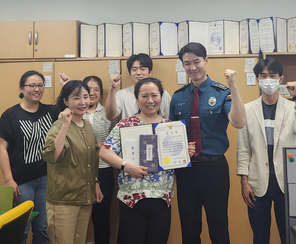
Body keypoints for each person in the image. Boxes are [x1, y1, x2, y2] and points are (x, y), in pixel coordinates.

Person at [99, 77, 195, 244]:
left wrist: (185, 153)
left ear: (161, 97)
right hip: (132, 199)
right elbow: (104, 152)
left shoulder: (171, 127)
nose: (150, 100)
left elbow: (177, 158)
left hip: (161, 199)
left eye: (154, 95)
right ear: (137, 99)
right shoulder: (125, 125)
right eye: (144, 96)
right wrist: (126, 166)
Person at [169, 42, 246, 244]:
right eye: (187, 63)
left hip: (215, 169)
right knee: (189, 228)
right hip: (186, 170)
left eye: (196, 61)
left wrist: (234, 86)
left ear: (206, 60)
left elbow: (239, 122)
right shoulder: (178, 97)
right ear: (182, 66)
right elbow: (170, 137)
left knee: (219, 227)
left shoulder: (222, 92)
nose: (192, 67)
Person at [236, 57, 296, 244]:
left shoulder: (293, 106)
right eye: (263, 76)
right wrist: (244, 182)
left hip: (285, 183)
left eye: (272, 75)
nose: (268, 79)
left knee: (288, 236)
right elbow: (244, 149)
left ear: (280, 79)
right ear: (257, 79)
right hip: (257, 183)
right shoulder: (247, 109)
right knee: (260, 237)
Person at [58, 73, 119, 244]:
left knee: (101, 215)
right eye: (88, 90)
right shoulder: (74, 112)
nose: (92, 93)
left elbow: (114, 134)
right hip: (78, 169)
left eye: (96, 89)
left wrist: (99, 146)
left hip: (103, 168)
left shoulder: (106, 110)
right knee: (77, 217)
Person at [0, 70, 54, 244]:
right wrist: (9, 180)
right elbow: (1, 149)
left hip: (45, 178)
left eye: (40, 85)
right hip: (21, 181)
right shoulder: (10, 115)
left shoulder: (50, 111)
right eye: (32, 85)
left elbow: (69, 104)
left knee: (43, 227)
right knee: (21, 228)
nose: (37, 89)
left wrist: (66, 85)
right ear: (21, 88)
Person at [42, 80, 102, 244]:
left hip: (84, 198)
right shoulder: (59, 125)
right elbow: (52, 156)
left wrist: (96, 182)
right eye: (76, 98)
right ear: (66, 101)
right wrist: (65, 125)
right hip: (64, 200)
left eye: (85, 97)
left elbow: (92, 159)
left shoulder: (87, 126)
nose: (82, 102)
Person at [105, 53, 171, 121]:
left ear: (150, 72)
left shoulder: (163, 94)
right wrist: (112, 89)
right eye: (134, 69)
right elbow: (111, 116)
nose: (138, 73)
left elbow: (168, 119)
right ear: (130, 73)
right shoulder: (122, 94)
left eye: (142, 69)